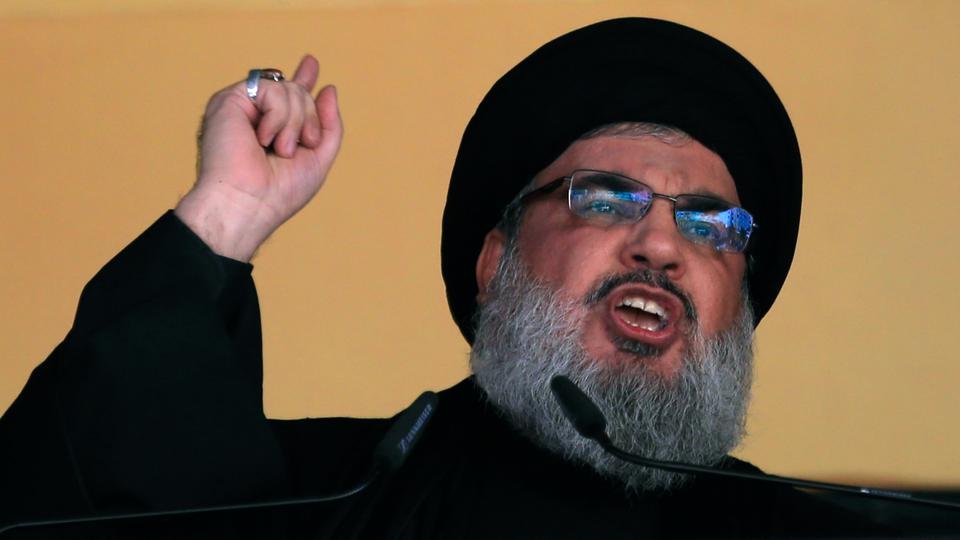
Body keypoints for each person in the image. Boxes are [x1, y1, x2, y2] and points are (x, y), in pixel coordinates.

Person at [1, 18, 891, 538]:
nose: (661, 242)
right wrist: (228, 212)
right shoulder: (324, 498)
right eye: (603, 199)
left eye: (709, 224)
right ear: (495, 262)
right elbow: (74, 493)